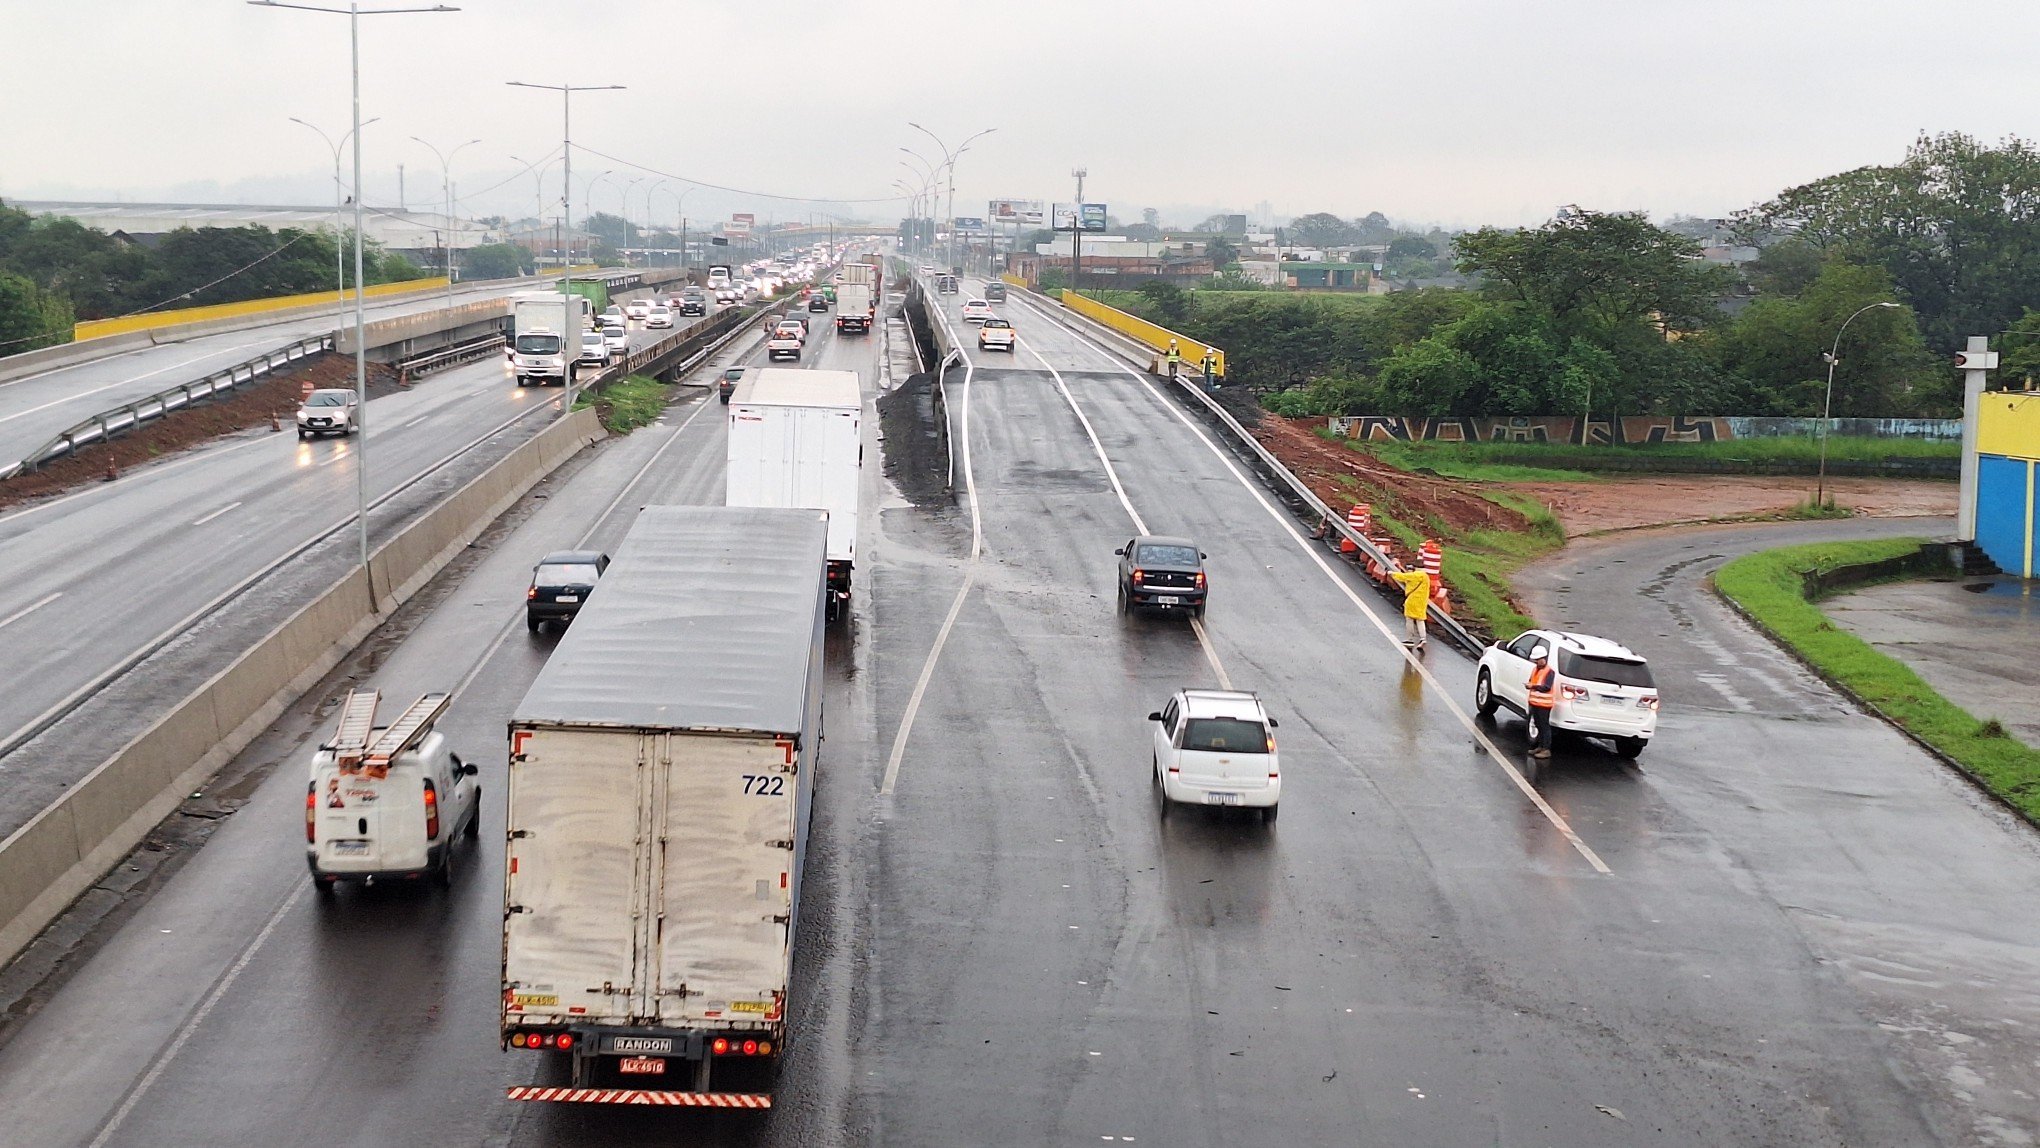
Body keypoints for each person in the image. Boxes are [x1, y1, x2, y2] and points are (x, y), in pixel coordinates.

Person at [1526, 645, 1557, 757]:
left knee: (1544, 726)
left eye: (1537, 660)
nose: (1536, 662)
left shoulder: (1549, 671)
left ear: (1543, 658)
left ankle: (1546, 749)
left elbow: (1546, 687)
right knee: (1538, 724)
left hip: (1544, 704)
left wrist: (1533, 686)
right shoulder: (1535, 669)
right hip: (1535, 702)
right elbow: (1532, 681)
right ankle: (1540, 746)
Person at [1390, 568, 1432, 650]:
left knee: (1409, 619)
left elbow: (1402, 577)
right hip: (1422, 601)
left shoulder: (1414, 575)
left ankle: (1410, 639)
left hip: (1412, 601)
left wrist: (1391, 573)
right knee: (1420, 620)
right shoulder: (1426, 577)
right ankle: (1423, 638)